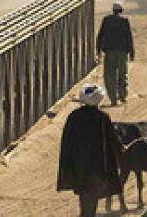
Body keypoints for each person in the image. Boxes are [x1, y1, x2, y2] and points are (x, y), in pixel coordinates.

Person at [57, 84, 123, 217]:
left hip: (78, 169)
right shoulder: (103, 118)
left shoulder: (73, 117)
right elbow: (113, 141)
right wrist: (121, 147)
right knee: (90, 204)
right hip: (97, 169)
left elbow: (66, 142)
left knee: (85, 200)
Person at [96, 2, 134, 106]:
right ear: (121, 11)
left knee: (109, 76)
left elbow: (100, 36)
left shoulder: (106, 20)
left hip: (109, 52)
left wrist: (98, 50)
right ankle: (122, 96)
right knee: (122, 75)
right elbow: (129, 37)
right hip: (122, 52)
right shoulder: (124, 21)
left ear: (113, 10)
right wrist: (131, 52)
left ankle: (113, 99)